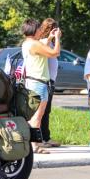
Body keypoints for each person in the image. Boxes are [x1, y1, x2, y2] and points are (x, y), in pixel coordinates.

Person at [21, 18, 60, 154]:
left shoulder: (28, 43)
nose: (40, 31)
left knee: (34, 117)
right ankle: (34, 146)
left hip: (33, 81)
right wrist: (57, 39)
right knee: (37, 116)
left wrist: (49, 38)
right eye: (38, 29)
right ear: (34, 30)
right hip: (38, 82)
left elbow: (42, 46)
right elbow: (55, 53)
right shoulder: (35, 44)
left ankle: (34, 144)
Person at [39, 18, 61, 148]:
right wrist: (54, 38)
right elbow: (54, 54)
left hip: (50, 80)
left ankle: (46, 137)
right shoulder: (43, 42)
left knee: (47, 111)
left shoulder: (51, 43)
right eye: (52, 28)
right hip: (44, 80)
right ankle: (40, 139)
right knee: (42, 111)